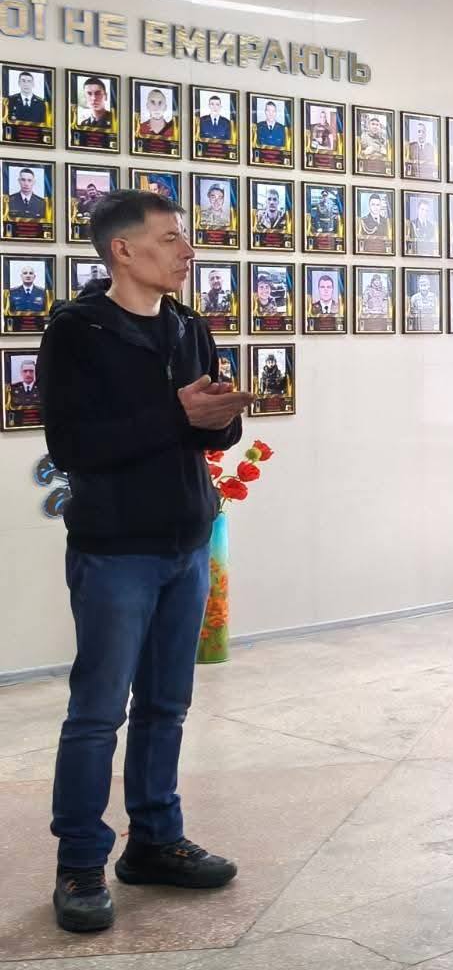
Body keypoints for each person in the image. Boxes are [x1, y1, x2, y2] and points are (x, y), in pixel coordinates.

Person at [36, 188, 249, 933]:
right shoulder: (77, 331)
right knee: (98, 713)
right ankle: (79, 863)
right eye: (168, 239)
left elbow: (211, 437)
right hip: (115, 550)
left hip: (187, 539)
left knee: (167, 705)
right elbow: (73, 447)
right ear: (122, 250)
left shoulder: (190, 325)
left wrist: (221, 419)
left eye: (184, 239)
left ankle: (155, 841)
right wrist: (177, 414)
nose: (187, 251)